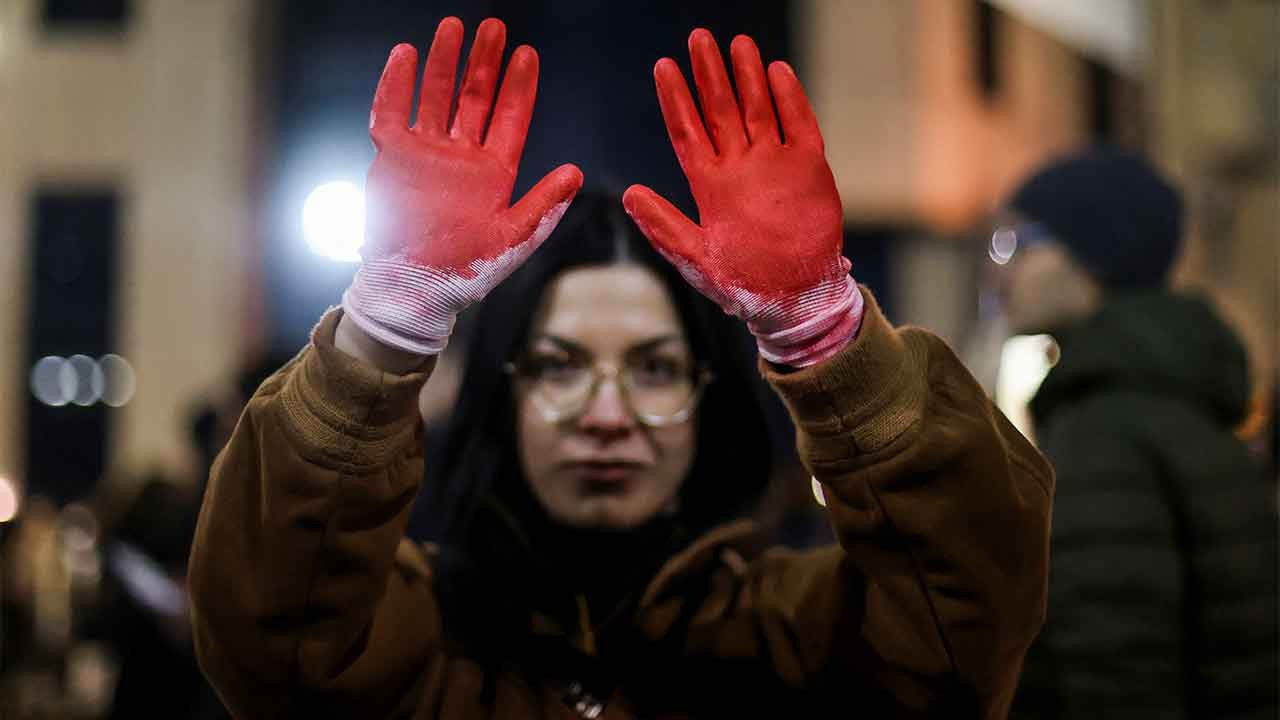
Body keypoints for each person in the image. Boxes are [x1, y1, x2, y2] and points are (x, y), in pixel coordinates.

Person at [189, 17, 1052, 718]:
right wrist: (387, 326)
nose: (608, 414)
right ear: (504, 390)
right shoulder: (411, 637)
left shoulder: (798, 633)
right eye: (560, 367)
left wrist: (821, 330)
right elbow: (272, 642)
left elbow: (966, 622)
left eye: (654, 370)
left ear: (709, 394)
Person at [996, 148, 1278, 719]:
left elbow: (1116, 675)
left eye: (1019, 244)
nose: (1000, 270)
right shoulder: (1174, 399)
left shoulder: (1105, 430)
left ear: (1093, 254)